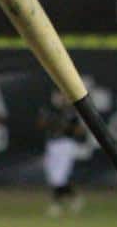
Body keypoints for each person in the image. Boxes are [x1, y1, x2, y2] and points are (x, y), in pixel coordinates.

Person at [37, 90, 86, 218]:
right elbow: (41, 124)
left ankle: (56, 205)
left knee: (59, 176)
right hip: (52, 144)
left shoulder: (70, 113)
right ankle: (74, 196)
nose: (59, 98)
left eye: (61, 96)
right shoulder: (50, 111)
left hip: (65, 144)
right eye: (57, 95)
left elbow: (80, 130)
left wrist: (67, 128)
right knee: (53, 176)